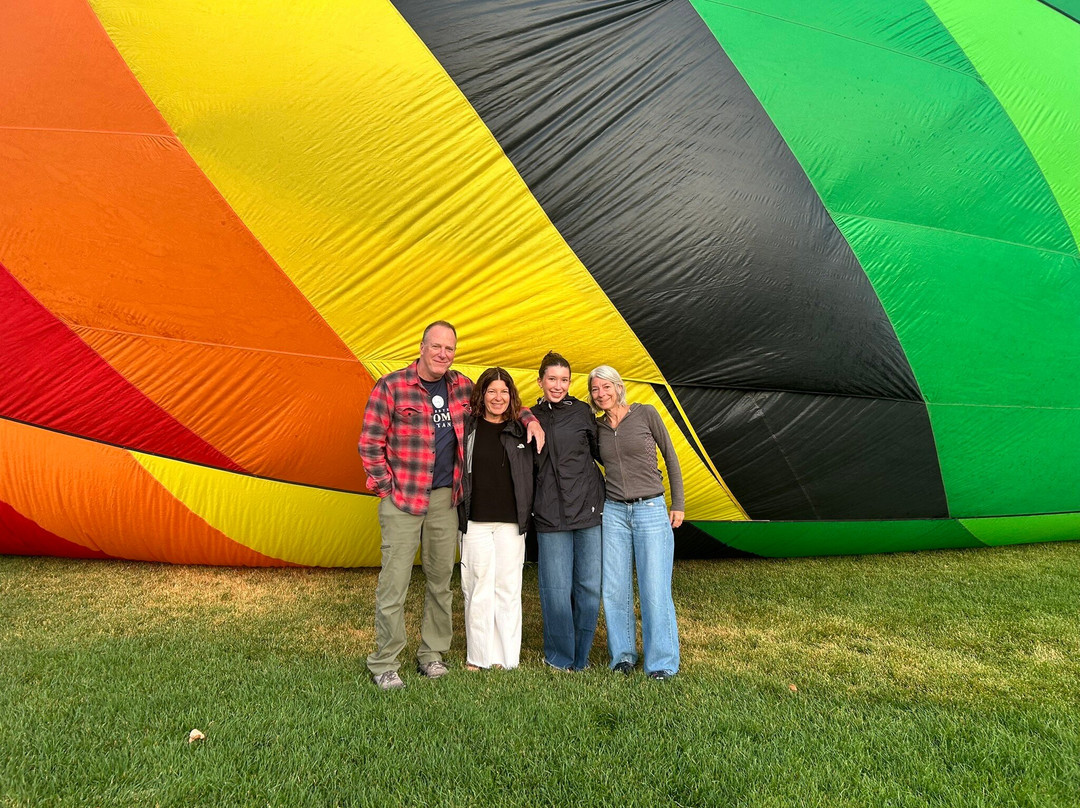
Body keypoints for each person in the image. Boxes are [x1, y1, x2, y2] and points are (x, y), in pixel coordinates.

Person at [358, 322, 543, 690]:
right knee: (394, 582)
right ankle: (385, 661)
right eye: (437, 347)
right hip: (404, 497)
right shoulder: (392, 386)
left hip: (445, 497)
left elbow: (502, 399)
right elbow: (369, 442)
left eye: (449, 349)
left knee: (441, 580)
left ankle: (432, 654)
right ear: (422, 346)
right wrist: (386, 488)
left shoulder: (460, 386)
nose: (443, 354)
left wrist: (531, 419)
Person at [588, 364, 683, 681]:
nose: (601, 394)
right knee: (615, 589)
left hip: (651, 509)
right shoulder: (598, 429)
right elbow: (604, 463)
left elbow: (670, 455)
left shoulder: (646, 413)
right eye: (595, 389)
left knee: (654, 587)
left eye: (606, 387)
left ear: (618, 386)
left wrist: (678, 504)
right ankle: (623, 656)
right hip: (614, 512)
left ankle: (662, 662)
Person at [531, 352, 605, 671]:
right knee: (556, 590)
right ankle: (560, 656)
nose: (558, 386)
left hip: (588, 508)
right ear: (540, 381)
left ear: (570, 382)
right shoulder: (530, 416)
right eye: (552, 379)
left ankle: (582, 655)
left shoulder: (583, 412)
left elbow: (603, 452)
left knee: (589, 586)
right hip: (550, 513)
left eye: (564, 379)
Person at [457, 368, 534, 670]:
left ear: (511, 395)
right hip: (475, 520)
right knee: (477, 587)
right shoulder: (468, 427)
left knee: (508, 587)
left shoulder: (520, 429)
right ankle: (478, 657)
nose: (498, 397)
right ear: (482, 394)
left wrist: (530, 420)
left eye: (504, 391)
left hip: (512, 523)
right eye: (492, 391)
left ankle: (506, 658)